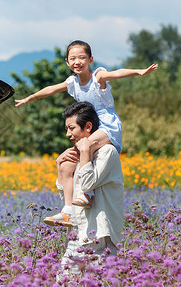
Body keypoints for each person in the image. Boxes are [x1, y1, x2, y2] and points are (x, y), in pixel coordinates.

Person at [15, 40, 157, 226]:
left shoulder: (97, 77)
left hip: (107, 126)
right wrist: (31, 97)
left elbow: (116, 73)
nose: (77, 62)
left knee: (85, 145)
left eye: (82, 57)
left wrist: (138, 72)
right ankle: (68, 211)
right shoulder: (73, 83)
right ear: (67, 62)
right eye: (72, 58)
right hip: (88, 129)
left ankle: (87, 192)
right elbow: (51, 89)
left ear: (90, 59)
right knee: (65, 164)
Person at [48, 102, 124, 272]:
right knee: (64, 281)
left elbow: (87, 184)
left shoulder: (107, 152)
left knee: (97, 281)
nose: (68, 134)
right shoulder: (80, 154)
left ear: (88, 126)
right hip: (77, 233)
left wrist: (84, 153)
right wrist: (60, 166)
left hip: (98, 237)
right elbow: (68, 197)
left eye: (71, 128)